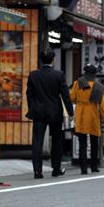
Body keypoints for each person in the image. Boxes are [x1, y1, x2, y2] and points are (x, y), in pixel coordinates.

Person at [26, 50, 73, 179]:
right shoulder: (59, 75)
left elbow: (29, 94)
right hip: (55, 112)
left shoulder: (33, 75)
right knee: (57, 140)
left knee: (37, 141)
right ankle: (56, 169)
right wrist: (70, 112)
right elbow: (65, 95)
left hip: (39, 112)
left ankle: (37, 171)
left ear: (41, 60)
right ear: (53, 60)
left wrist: (32, 109)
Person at [70, 64, 104, 174]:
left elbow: (72, 97)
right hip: (93, 115)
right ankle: (94, 166)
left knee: (82, 143)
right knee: (94, 142)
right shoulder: (98, 86)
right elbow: (102, 105)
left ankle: (83, 168)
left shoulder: (77, 83)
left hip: (81, 114)